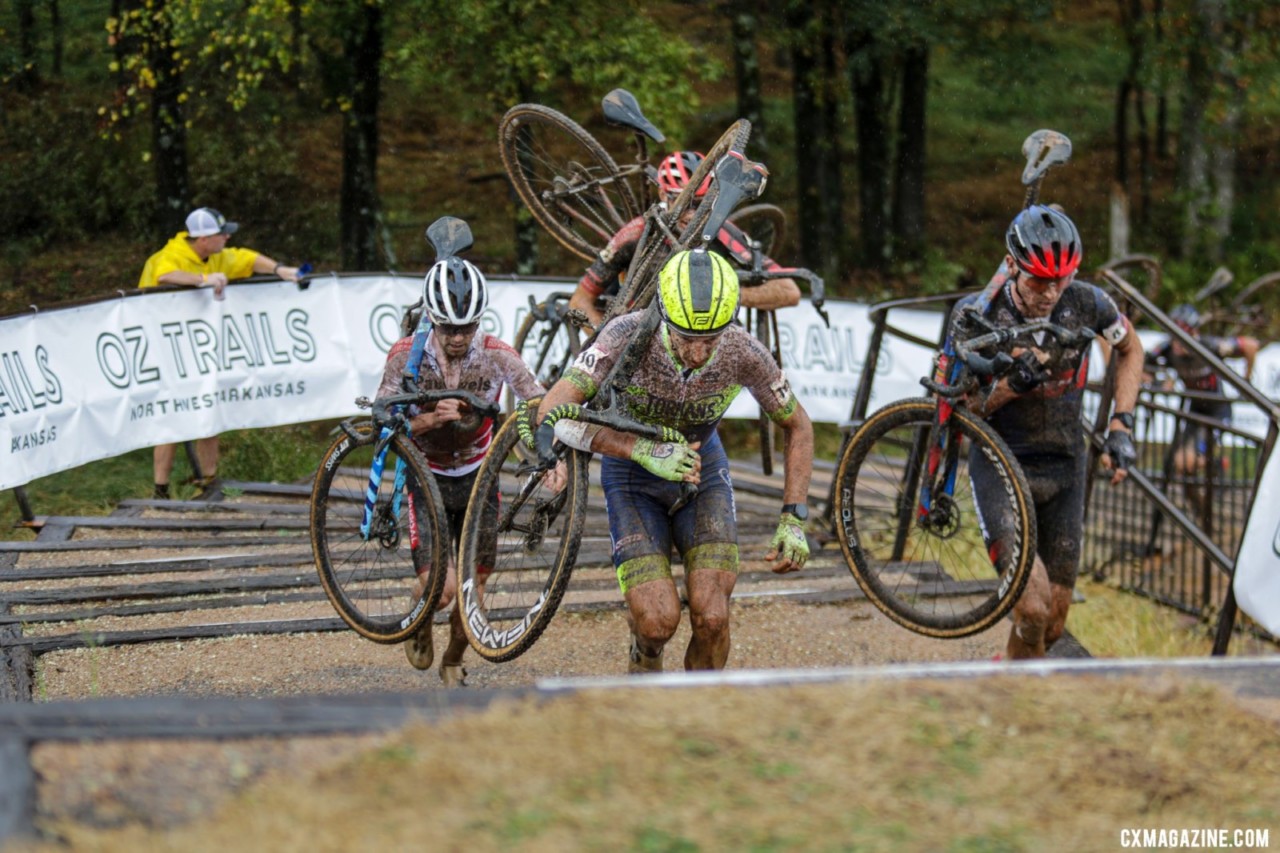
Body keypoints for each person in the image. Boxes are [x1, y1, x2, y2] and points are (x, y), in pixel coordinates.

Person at [536, 248, 814, 673]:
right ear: (663, 317)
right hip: (632, 476)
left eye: (712, 339)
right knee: (656, 622)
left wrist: (793, 517)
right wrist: (639, 449)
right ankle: (645, 655)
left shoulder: (743, 351)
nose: (699, 353)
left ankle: (693, 713)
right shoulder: (624, 334)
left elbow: (798, 425)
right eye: (687, 338)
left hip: (704, 474)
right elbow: (552, 412)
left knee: (713, 616)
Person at [944, 205, 1144, 660]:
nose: (1051, 292)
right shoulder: (977, 314)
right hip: (1002, 465)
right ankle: (1024, 700)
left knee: (1051, 624)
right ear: (1012, 265)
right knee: (1030, 609)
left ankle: (1011, 686)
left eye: (1062, 279)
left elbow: (1131, 350)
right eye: (1039, 280)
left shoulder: (1089, 303)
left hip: (1066, 467)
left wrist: (1120, 424)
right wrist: (1012, 386)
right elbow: (959, 408)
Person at [375, 254, 549, 686]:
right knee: (443, 589)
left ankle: (453, 658)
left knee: (473, 596)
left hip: (478, 477)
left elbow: (541, 405)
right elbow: (380, 424)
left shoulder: (497, 355)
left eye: (468, 327)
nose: (458, 337)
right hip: (426, 474)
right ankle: (419, 617)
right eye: (449, 328)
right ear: (432, 320)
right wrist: (430, 419)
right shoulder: (404, 356)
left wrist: (548, 456)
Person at [138, 207, 302, 499]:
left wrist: (281, 270)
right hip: (165, 351)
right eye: (221, 234)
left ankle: (209, 482)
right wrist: (203, 280)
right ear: (202, 239)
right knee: (172, 417)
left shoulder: (215, 255)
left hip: (198, 352)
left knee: (209, 410)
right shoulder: (171, 254)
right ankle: (160, 490)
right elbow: (165, 275)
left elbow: (248, 258)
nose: (227, 237)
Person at [567, 151, 801, 331]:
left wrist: (721, 296)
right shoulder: (636, 233)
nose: (691, 215)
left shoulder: (722, 230)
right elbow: (580, 301)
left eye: (701, 205)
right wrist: (603, 345)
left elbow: (789, 291)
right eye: (684, 202)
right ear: (663, 195)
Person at [1143, 303, 1260, 515]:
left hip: (1217, 413)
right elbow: (1141, 365)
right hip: (1194, 413)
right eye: (1173, 334)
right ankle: (1202, 510)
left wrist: (1247, 379)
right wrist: (1159, 382)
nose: (1177, 343)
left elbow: (1250, 345)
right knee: (1179, 467)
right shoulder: (1167, 350)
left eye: (1182, 335)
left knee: (1184, 462)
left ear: (1193, 332)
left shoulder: (1210, 345)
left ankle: (1213, 464)